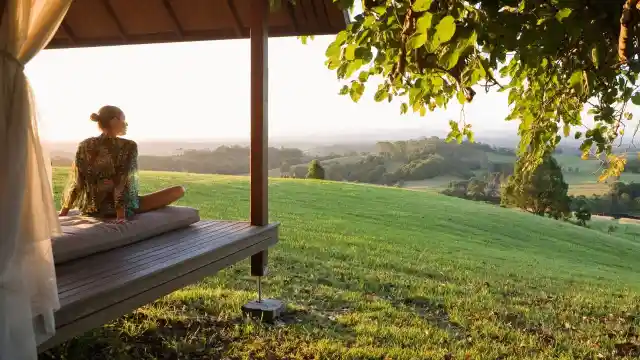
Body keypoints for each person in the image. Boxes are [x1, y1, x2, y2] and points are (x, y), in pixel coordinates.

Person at [59, 105, 185, 223]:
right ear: (114, 121)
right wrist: (121, 216)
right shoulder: (128, 146)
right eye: (123, 120)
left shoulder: (84, 145)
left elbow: (77, 182)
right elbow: (122, 181)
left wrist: (64, 212)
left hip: (91, 209)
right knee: (178, 190)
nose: (125, 124)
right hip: (118, 208)